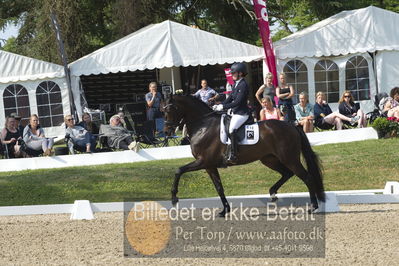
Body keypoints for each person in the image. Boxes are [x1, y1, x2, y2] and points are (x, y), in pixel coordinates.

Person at [212, 62, 250, 164]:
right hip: (235, 112)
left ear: (240, 73)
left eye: (234, 73)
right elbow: (230, 98)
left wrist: (223, 106)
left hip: (242, 113)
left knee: (232, 129)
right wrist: (219, 105)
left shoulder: (243, 85)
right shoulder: (235, 85)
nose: (232, 74)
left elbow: (238, 102)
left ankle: (234, 155)